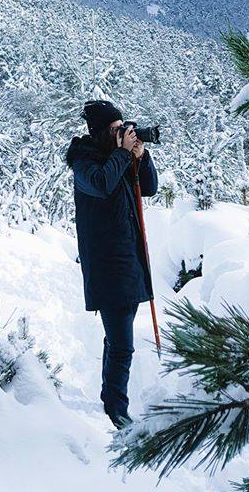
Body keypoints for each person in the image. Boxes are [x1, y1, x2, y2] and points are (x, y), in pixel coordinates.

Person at [65, 99, 158, 429]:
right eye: (117, 130)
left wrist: (140, 157)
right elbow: (102, 185)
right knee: (122, 344)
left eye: (124, 129)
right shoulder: (84, 164)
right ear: (103, 132)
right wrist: (122, 154)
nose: (123, 134)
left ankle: (110, 397)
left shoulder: (115, 159)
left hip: (129, 260)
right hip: (107, 265)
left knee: (116, 339)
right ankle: (117, 409)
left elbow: (148, 188)